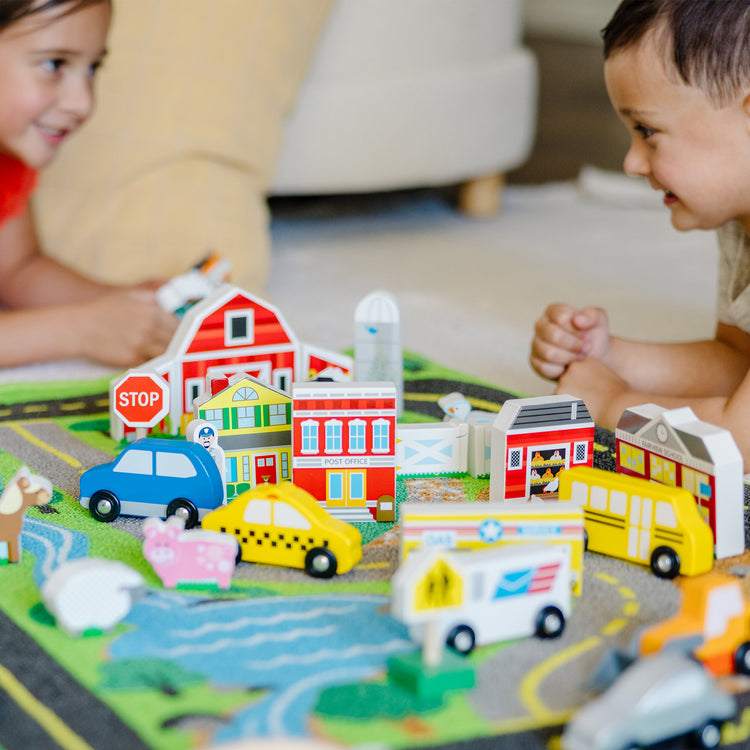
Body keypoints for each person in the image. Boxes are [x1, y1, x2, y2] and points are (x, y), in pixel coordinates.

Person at [529, 0, 750, 466]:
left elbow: (739, 441)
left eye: (646, 130)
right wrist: (610, 356)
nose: (630, 163)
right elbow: (737, 361)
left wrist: (611, 404)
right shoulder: (739, 218)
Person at [0, 0, 177, 369]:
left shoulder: (11, 158)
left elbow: (18, 270)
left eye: (93, 67)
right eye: (54, 64)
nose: (82, 103)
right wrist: (80, 330)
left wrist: (129, 304)